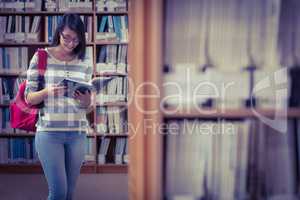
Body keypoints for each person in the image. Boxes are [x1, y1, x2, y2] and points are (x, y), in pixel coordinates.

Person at [25, 13, 93, 200]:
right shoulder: (41, 57)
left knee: (69, 194)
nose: (71, 44)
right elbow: (29, 98)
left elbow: (88, 106)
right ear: (59, 33)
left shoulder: (85, 60)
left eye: (76, 40)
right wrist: (47, 92)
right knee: (58, 192)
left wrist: (88, 102)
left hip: (77, 133)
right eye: (67, 38)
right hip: (49, 133)